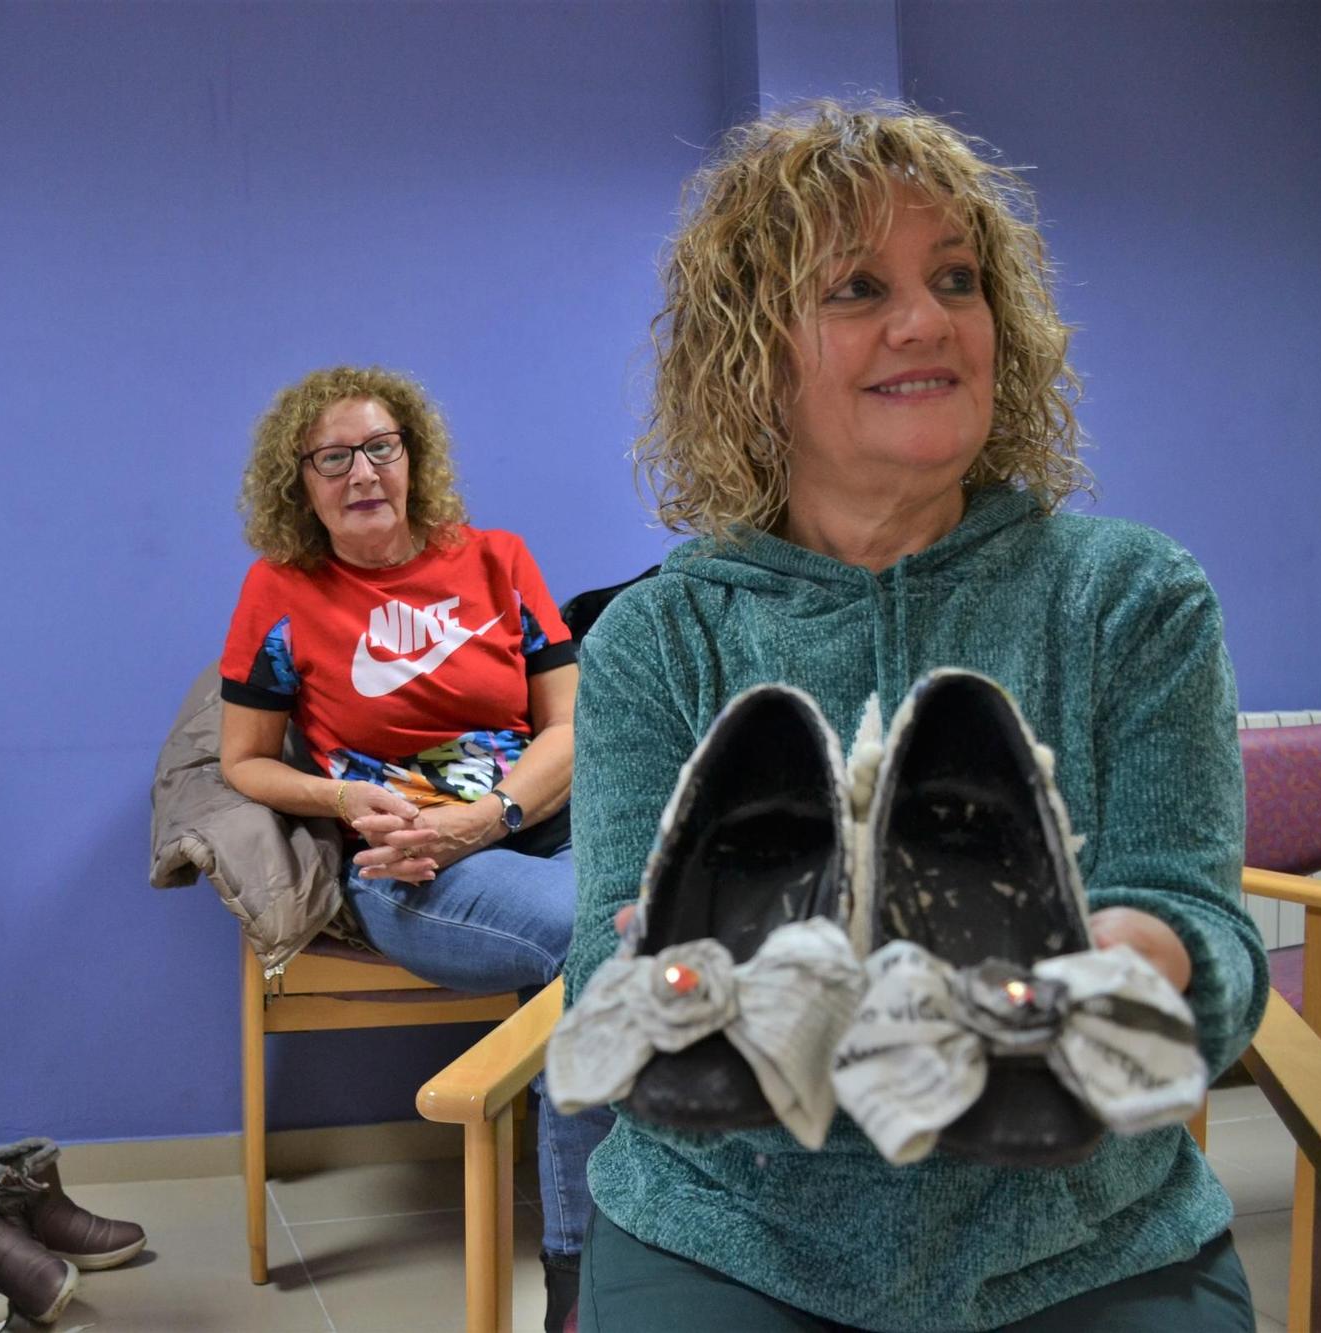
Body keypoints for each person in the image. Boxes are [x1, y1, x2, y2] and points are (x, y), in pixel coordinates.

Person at [566, 101, 1266, 1331]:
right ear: (750, 355)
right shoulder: (655, 640)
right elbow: (593, 972)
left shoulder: (1128, 599)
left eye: (955, 277)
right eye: (854, 288)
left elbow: (1204, 932)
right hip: (733, 1236)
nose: (926, 318)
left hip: (1087, 1238)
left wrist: (1135, 960)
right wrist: (647, 983)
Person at [218, 365, 608, 1332]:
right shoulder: (279, 591)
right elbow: (242, 762)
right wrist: (344, 794)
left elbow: (570, 726)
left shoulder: (499, 561)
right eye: (334, 457)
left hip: (540, 822)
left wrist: (497, 814)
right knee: (589, 945)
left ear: (413, 457)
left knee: (624, 936)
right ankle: (580, 1276)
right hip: (414, 866)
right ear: (300, 480)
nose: (362, 473)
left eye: (381, 448)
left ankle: (630, 1252)